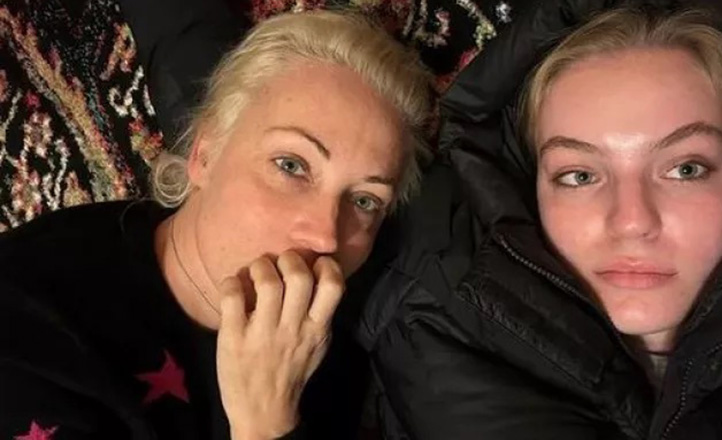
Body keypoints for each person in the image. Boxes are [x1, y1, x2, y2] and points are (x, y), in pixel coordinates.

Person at [0, 10, 432, 440]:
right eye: (291, 165)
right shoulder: (28, 335)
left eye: (364, 200)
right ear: (204, 155)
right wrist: (264, 425)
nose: (325, 236)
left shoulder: (338, 338)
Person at [359, 2, 722, 439]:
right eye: (579, 176)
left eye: (685, 169)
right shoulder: (441, 342)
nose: (631, 221)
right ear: (533, 194)